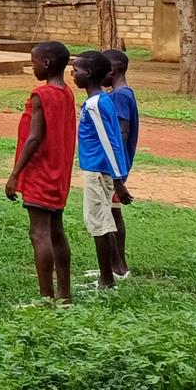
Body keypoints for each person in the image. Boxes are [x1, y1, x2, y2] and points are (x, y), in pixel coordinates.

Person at [5, 39, 76, 302]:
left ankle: (46, 298)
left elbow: (34, 138)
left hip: (40, 172)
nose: (32, 67)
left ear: (46, 63)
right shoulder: (66, 92)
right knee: (56, 231)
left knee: (39, 233)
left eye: (33, 62)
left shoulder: (41, 95)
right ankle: (65, 295)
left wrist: (15, 174)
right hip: (59, 172)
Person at [73, 49, 130, 291]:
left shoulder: (95, 104)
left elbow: (109, 142)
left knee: (99, 224)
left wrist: (118, 181)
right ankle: (109, 272)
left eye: (75, 70)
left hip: (97, 170)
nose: (73, 75)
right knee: (104, 221)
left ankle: (107, 281)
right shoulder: (103, 100)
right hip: (101, 170)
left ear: (88, 73)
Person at [101, 48, 138, 279]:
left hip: (114, 165)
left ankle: (118, 268)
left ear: (112, 71)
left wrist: (114, 167)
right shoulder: (122, 93)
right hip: (117, 164)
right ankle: (118, 265)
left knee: (110, 214)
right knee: (113, 212)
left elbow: (121, 132)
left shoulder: (120, 96)